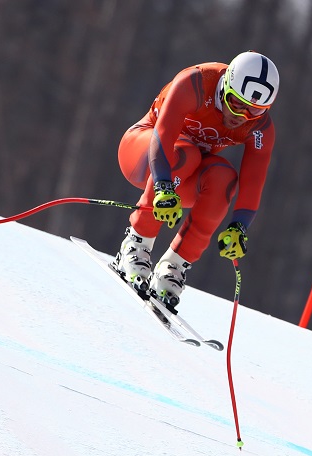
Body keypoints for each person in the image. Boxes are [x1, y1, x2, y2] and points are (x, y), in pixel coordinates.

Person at [112, 51, 279, 312]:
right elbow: (163, 137)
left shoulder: (260, 128)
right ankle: (136, 244)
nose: (242, 116)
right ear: (225, 86)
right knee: (187, 153)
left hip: (180, 176)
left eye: (255, 109)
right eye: (236, 103)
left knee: (224, 178)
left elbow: (254, 180)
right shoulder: (196, 84)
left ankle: (173, 267)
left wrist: (240, 227)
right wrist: (163, 187)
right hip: (145, 155)